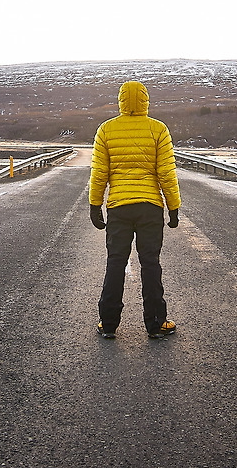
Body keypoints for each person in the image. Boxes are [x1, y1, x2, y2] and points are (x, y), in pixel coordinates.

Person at [89, 80, 182, 339]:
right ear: (145, 100)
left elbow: (99, 174)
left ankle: (108, 324)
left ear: (120, 100)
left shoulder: (106, 130)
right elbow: (166, 173)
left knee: (115, 262)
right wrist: (173, 207)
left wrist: (95, 205)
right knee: (150, 263)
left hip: (119, 207)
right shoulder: (158, 129)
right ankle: (156, 324)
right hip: (150, 207)